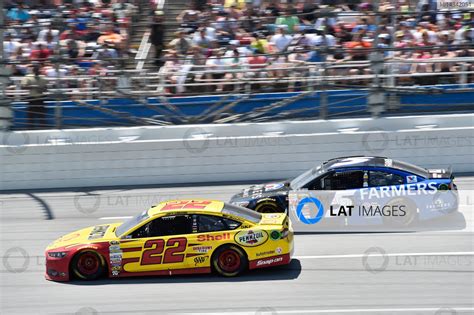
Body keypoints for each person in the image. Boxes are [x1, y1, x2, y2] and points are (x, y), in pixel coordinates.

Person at [22, 65, 48, 129]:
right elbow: (23, 86)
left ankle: (42, 128)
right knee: (31, 115)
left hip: (41, 98)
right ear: (33, 70)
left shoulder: (43, 78)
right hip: (32, 98)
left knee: (41, 115)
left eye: (38, 69)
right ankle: (30, 128)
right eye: (36, 69)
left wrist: (41, 89)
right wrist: (34, 86)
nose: (38, 70)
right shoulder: (28, 77)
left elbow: (45, 89)